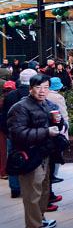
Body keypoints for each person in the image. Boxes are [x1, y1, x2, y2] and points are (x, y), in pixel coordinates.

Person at [8, 74, 63, 228]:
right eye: (38, 87)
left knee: (43, 191)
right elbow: (18, 134)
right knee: (32, 195)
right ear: (30, 88)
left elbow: (49, 124)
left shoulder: (46, 104)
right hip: (29, 156)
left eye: (45, 87)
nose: (42, 91)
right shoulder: (20, 107)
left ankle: (40, 219)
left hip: (44, 154)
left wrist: (57, 121)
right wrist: (46, 132)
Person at [0, 69, 37, 198]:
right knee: (32, 159)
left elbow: (3, 116)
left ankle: (15, 188)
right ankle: (29, 188)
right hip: (30, 134)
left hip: (13, 134)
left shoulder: (10, 96)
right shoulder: (35, 95)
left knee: (14, 158)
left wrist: (7, 131)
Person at [0, 80, 15, 180]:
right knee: (6, 151)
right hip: (7, 129)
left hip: (2, 128)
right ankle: (4, 171)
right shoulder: (14, 99)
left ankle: (3, 171)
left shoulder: (2, 100)